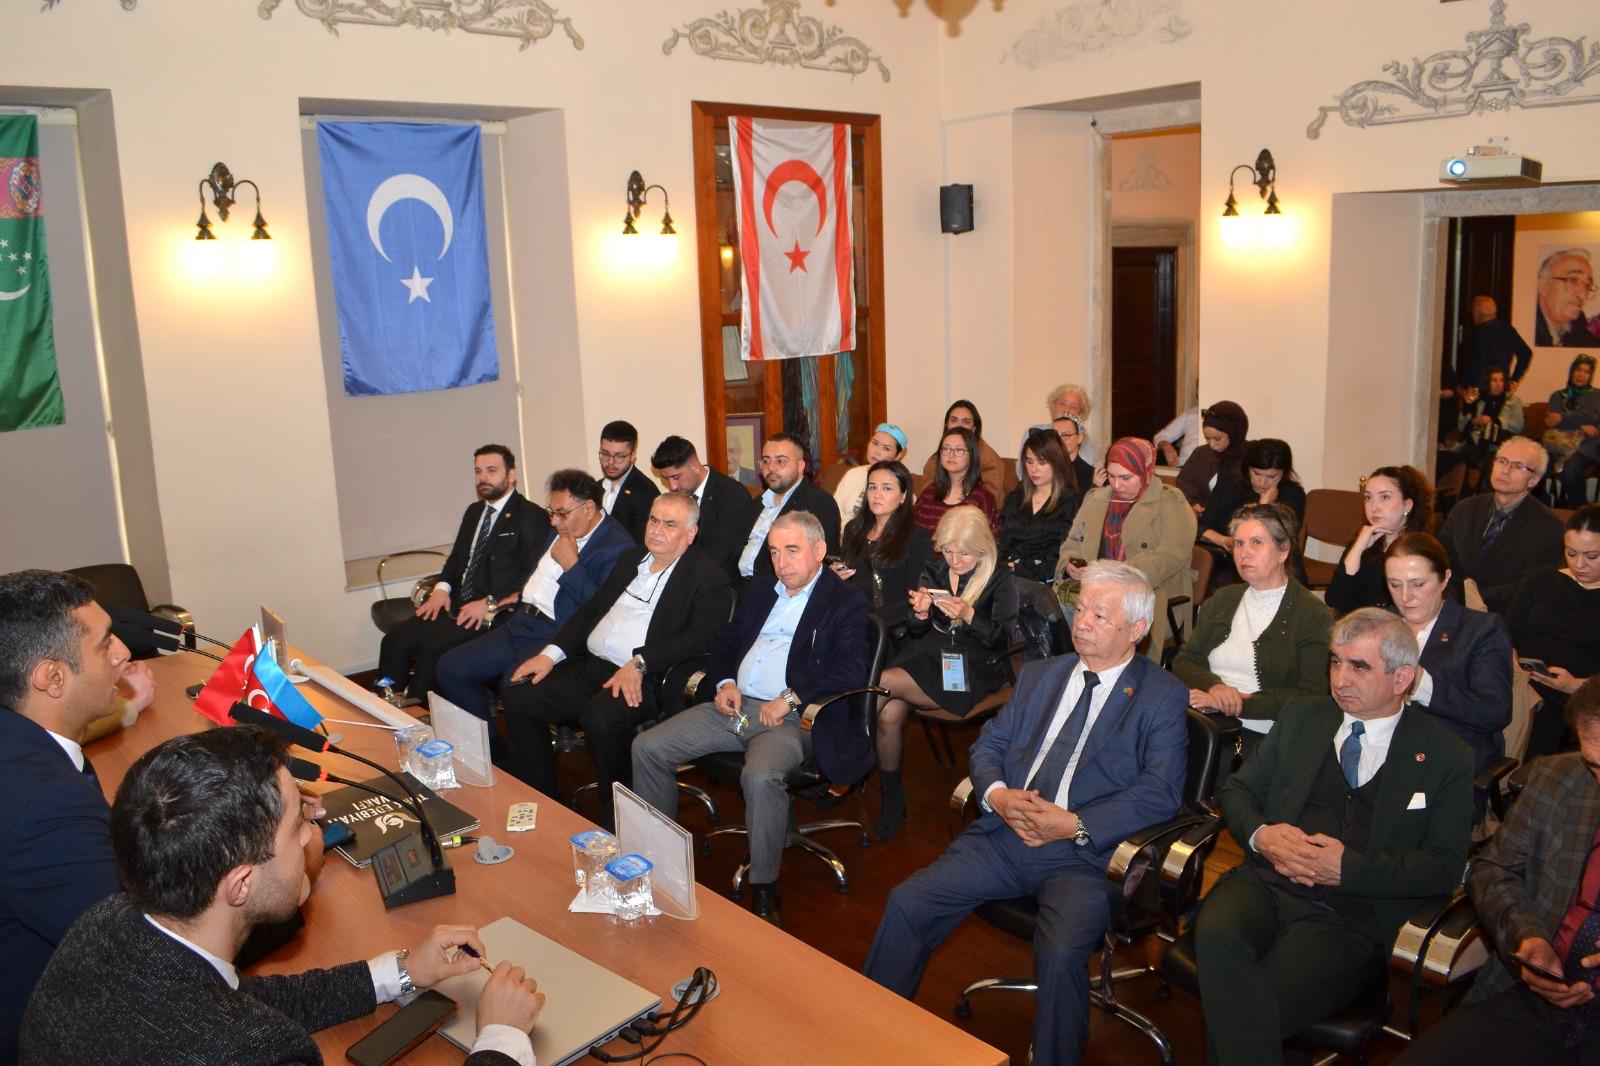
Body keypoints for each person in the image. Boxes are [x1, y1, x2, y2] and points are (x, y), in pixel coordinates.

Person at [20, 727, 543, 1065]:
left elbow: (232, 999)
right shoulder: (255, 1052)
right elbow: (233, 1024)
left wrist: (401, 972)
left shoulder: (104, 926)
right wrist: (501, 1039)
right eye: (298, 824)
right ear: (240, 883)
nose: (315, 830)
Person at [862, 561, 1188, 1066]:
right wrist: (996, 794)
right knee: (908, 902)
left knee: (1059, 952)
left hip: (1082, 857)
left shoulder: (1160, 696)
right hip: (1004, 833)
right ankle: (866, 1034)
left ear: (1136, 630)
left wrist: (1074, 825)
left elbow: (1161, 792)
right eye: (1081, 609)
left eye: (1100, 616)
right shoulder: (1041, 674)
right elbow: (990, 744)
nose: (1082, 623)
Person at [1192, 607, 1474, 1066]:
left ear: (1402, 678)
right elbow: (1238, 791)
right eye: (1336, 661)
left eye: (1359, 666)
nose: (1340, 679)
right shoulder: (1303, 718)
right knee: (1217, 933)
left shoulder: (1446, 756)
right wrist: (1262, 836)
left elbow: (1444, 866)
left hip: (1349, 916)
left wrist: (1349, 869)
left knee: (1250, 1007)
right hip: (1263, 883)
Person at [631, 511, 868, 927]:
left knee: (760, 776)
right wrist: (724, 682)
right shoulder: (760, 589)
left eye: (792, 551)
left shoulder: (845, 601)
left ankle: (764, 883)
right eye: (774, 552)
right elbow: (724, 642)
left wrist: (790, 699)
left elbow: (850, 669)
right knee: (648, 747)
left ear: (819, 551)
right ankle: (658, 860)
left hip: (793, 718)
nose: (782, 563)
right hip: (736, 707)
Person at [1394, 677, 1600, 1066]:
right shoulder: (1559, 779)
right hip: (1536, 998)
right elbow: (1492, 868)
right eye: (1594, 764)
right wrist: (1526, 935)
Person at [501, 493, 731, 829]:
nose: (657, 530)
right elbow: (592, 610)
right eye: (654, 520)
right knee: (521, 693)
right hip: (594, 664)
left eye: (670, 524)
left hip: (649, 676)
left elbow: (699, 638)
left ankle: (621, 814)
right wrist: (550, 655)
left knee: (602, 717)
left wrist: (640, 663)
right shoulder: (632, 558)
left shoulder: (708, 577)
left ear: (691, 533)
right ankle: (541, 796)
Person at [0, 570, 156, 1063]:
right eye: (105, 643)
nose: (123, 654)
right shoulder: (46, 805)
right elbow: (150, 959)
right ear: (52, 678)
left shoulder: (19, 742)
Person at [434, 469, 633, 721]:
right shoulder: (561, 527)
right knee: (450, 668)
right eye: (551, 512)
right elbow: (536, 576)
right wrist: (512, 598)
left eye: (562, 513)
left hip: (555, 632)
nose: (554, 521)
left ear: (588, 508)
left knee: (514, 687)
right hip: (520, 622)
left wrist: (571, 565)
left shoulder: (617, 547)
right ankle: (490, 742)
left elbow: (601, 609)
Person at [873, 505, 1019, 841]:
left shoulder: (1000, 577)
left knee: (880, 683)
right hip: (931, 653)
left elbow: (1003, 640)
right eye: (948, 551)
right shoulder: (935, 567)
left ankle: (842, 753)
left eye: (963, 553)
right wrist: (921, 615)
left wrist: (970, 615)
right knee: (887, 714)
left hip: (976, 663)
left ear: (982, 548)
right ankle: (892, 795)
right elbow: (917, 632)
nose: (954, 560)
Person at [375, 445, 549, 703]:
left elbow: (531, 577)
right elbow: (457, 560)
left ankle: (417, 716)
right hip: (455, 604)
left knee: (432, 652)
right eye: (478, 471)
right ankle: (384, 702)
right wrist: (441, 589)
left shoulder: (530, 516)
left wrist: (489, 603)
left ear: (511, 475)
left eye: (491, 470)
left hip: (490, 613)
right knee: (394, 641)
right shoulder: (474, 512)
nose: (483, 478)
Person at [1173, 503, 1331, 771]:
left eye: (1256, 543)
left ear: (1283, 551)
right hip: (1206, 718)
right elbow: (1185, 661)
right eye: (1239, 544)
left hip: (1261, 733)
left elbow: (1310, 696)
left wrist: (1237, 705)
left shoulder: (1312, 614)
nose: (1244, 553)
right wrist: (1216, 688)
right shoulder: (1223, 599)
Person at [1383, 532, 1512, 815]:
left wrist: (1424, 686)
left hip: (1446, 761)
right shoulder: (1380, 626)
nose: (1405, 596)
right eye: (1394, 584)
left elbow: (1495, 711)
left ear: (1445, 579)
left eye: (1418, 584)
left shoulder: (1480, 630)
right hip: (1381, 752)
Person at [1057, 437, 1196, 658]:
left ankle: (1095, 664)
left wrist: (1117, 574)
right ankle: (1072, 664)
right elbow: (1073, 542)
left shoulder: (1170, 502)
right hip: (1094, 589)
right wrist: (1070, 564)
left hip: (1148, 591)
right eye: (1111, 476)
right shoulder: (1096, 499)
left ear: (1145, 472)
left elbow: (1170, 556)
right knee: (1052, 607)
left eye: (1126, 478)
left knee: (1090, 616)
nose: (1116, 485)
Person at [1507, 504, 1600, 758]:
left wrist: (1577, 685)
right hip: (1523, 680)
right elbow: (1508, 631)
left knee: (1541, 713)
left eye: (1592, 556)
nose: (1579, 564)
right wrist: (1512, 659)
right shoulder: (1542, 581)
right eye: (1571, 553)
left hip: (1581, 694)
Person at [1438, 436, 1565, 615]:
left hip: (1506, 616)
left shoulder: (1550, 527)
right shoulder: (1465, 509)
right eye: (1502, 461)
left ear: (1534, 479)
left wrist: (1477, 600)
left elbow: (1533, 585)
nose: (1505, 470)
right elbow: (1441, 558)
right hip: (1452, 607)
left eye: (1517, 466)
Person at [830, 460, 933, 638]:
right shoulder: (853, 529)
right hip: (847, 618)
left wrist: (867, 620)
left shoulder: (917, 537)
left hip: (887, 628)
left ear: (903, 496)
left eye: (886, 488)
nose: (877, 495)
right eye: (872, 487)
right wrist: (833, 577)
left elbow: (913, 598)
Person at [1197, 438, 1307, 587]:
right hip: (1229, 561)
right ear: (1247, 468)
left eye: (1271, 477)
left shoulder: (1293, 494)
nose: (1262, 482)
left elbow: (1282, 539)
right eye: (1257, 473)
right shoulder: (1228, 484)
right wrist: (1225, 541)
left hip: (1274, 562)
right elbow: (1203, 526)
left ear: (1283, 473)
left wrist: (1265, 505)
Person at [1326, 464, 1434, 616]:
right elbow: (1336, 600)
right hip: (1363, 625)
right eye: (1368, 498)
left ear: (1407, 505)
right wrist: (1358, 549)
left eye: (1384, 497)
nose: (1374, 507)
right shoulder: (1363, 541)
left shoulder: (1424, 548)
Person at [734, 433, 842, 584]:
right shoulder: (758, 502)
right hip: (738, 586)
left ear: (800, 466)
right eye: (766, 461)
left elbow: (818, 564)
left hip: (780, 588)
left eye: (780, 461)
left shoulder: (819, 504)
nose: (771, 468)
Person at [649, 435, 758, 582]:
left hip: (717, 581)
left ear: (694, 465)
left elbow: (719, 555)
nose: (672, 486)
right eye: (666, 479)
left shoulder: (732, 495)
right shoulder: (679, 497)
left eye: (676, 477)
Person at [999, 427, 1081, 583]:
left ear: (1057, 462)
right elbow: (1002, 543)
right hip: (1009, 574)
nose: (1033, 469)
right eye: (1029, 461)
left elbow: (1064, 553)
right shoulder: (1015, 498)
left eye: (1042, 462)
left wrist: (1021, 570)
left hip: (1046, 578)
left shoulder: (1069, 501)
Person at [914, 426, 999, 535]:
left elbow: (990, 540)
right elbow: (911, 533)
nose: (951, 455)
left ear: (972, 455)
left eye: (959, 450)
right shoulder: (928, 494)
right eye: (946, 448)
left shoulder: (982, 497)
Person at [1455, 369, 1526, 487]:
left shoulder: (1513, 401)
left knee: (1493, 460)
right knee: (1462, 455)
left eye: (1501, 380)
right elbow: (1461, 426)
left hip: (1501, 443)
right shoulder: (1477, 399)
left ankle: (1489, 494)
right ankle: (1464, 494)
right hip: (1477, 441)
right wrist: (1474, 420)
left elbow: (1518, 426)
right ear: (1486, 382)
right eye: (1494, 380)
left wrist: (1495, 422)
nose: (1499, 384)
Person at [920, 400, 1005, 499]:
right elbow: (926, 497)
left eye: (966, 422)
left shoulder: (989, 460)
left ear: (974, 429)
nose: (959, 426)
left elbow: (990, 500)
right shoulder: (934, 461)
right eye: (954, 420)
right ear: (947, 425)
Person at [1175, 400, 1249, 513]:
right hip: (1203, 517)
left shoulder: (1250, 456)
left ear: (1234, 433)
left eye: (1217, 438)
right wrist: (1192, 504)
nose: (1212, 445)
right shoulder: (1201, 454)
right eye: (1207, 438)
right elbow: (1185, 484)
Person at [832, 423, 909, 530]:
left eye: (886, 448)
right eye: (875, 443)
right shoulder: (853, 474)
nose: (877, 451)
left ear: (898, 455)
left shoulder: (901, 485)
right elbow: (834, 510)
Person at [596, 419, 660, 544]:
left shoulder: (646, 493)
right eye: (605, 454)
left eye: (619, 456)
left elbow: (641, 545)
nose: (610, 462)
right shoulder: (595, 488)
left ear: (632, 456)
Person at [1015, 383, 1101, 475]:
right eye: (1062, 404)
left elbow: (1086, 474)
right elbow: (1022, 470)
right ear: (1053, 407)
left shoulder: (1085, 441)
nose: (1066, 410)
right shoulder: (1035, 432)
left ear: (1081, 414)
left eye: (1073, 407)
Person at [1458, 295, 1533, 392]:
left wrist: (1464, 386)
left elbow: (1475, 364)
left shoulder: (1479, 334)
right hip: (1501, 386)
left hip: (1480, 387)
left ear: (1477, 313)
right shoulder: (1508, 330)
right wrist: (1514, 379)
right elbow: (1526, 353)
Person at [1541, 354, 1599, 471]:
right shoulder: (1557, 396)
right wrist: (1581, 426)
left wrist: (1562, 418)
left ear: (1590, 375)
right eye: (1578, 370)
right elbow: (1552, 422)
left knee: (1569, 468)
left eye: (1586, 372)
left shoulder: (1597, 395)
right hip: (1558, 444)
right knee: (1538, 463)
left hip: (1585, 448)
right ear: (1572, 371)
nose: (1581, 375)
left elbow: (1592, 417)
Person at [1534, 249, 1600, 349]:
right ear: (1544, 286)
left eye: (1588, 285)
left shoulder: (1578, 322)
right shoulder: (1528, 324)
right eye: (1573, 280)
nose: (1583, 295)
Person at [1053, 412, 1099, 498]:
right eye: (1054, 436)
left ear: (1080, 438)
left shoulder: (1089, 474)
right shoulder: (1044, 468)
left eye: (1066, 435)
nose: (1059, 441)